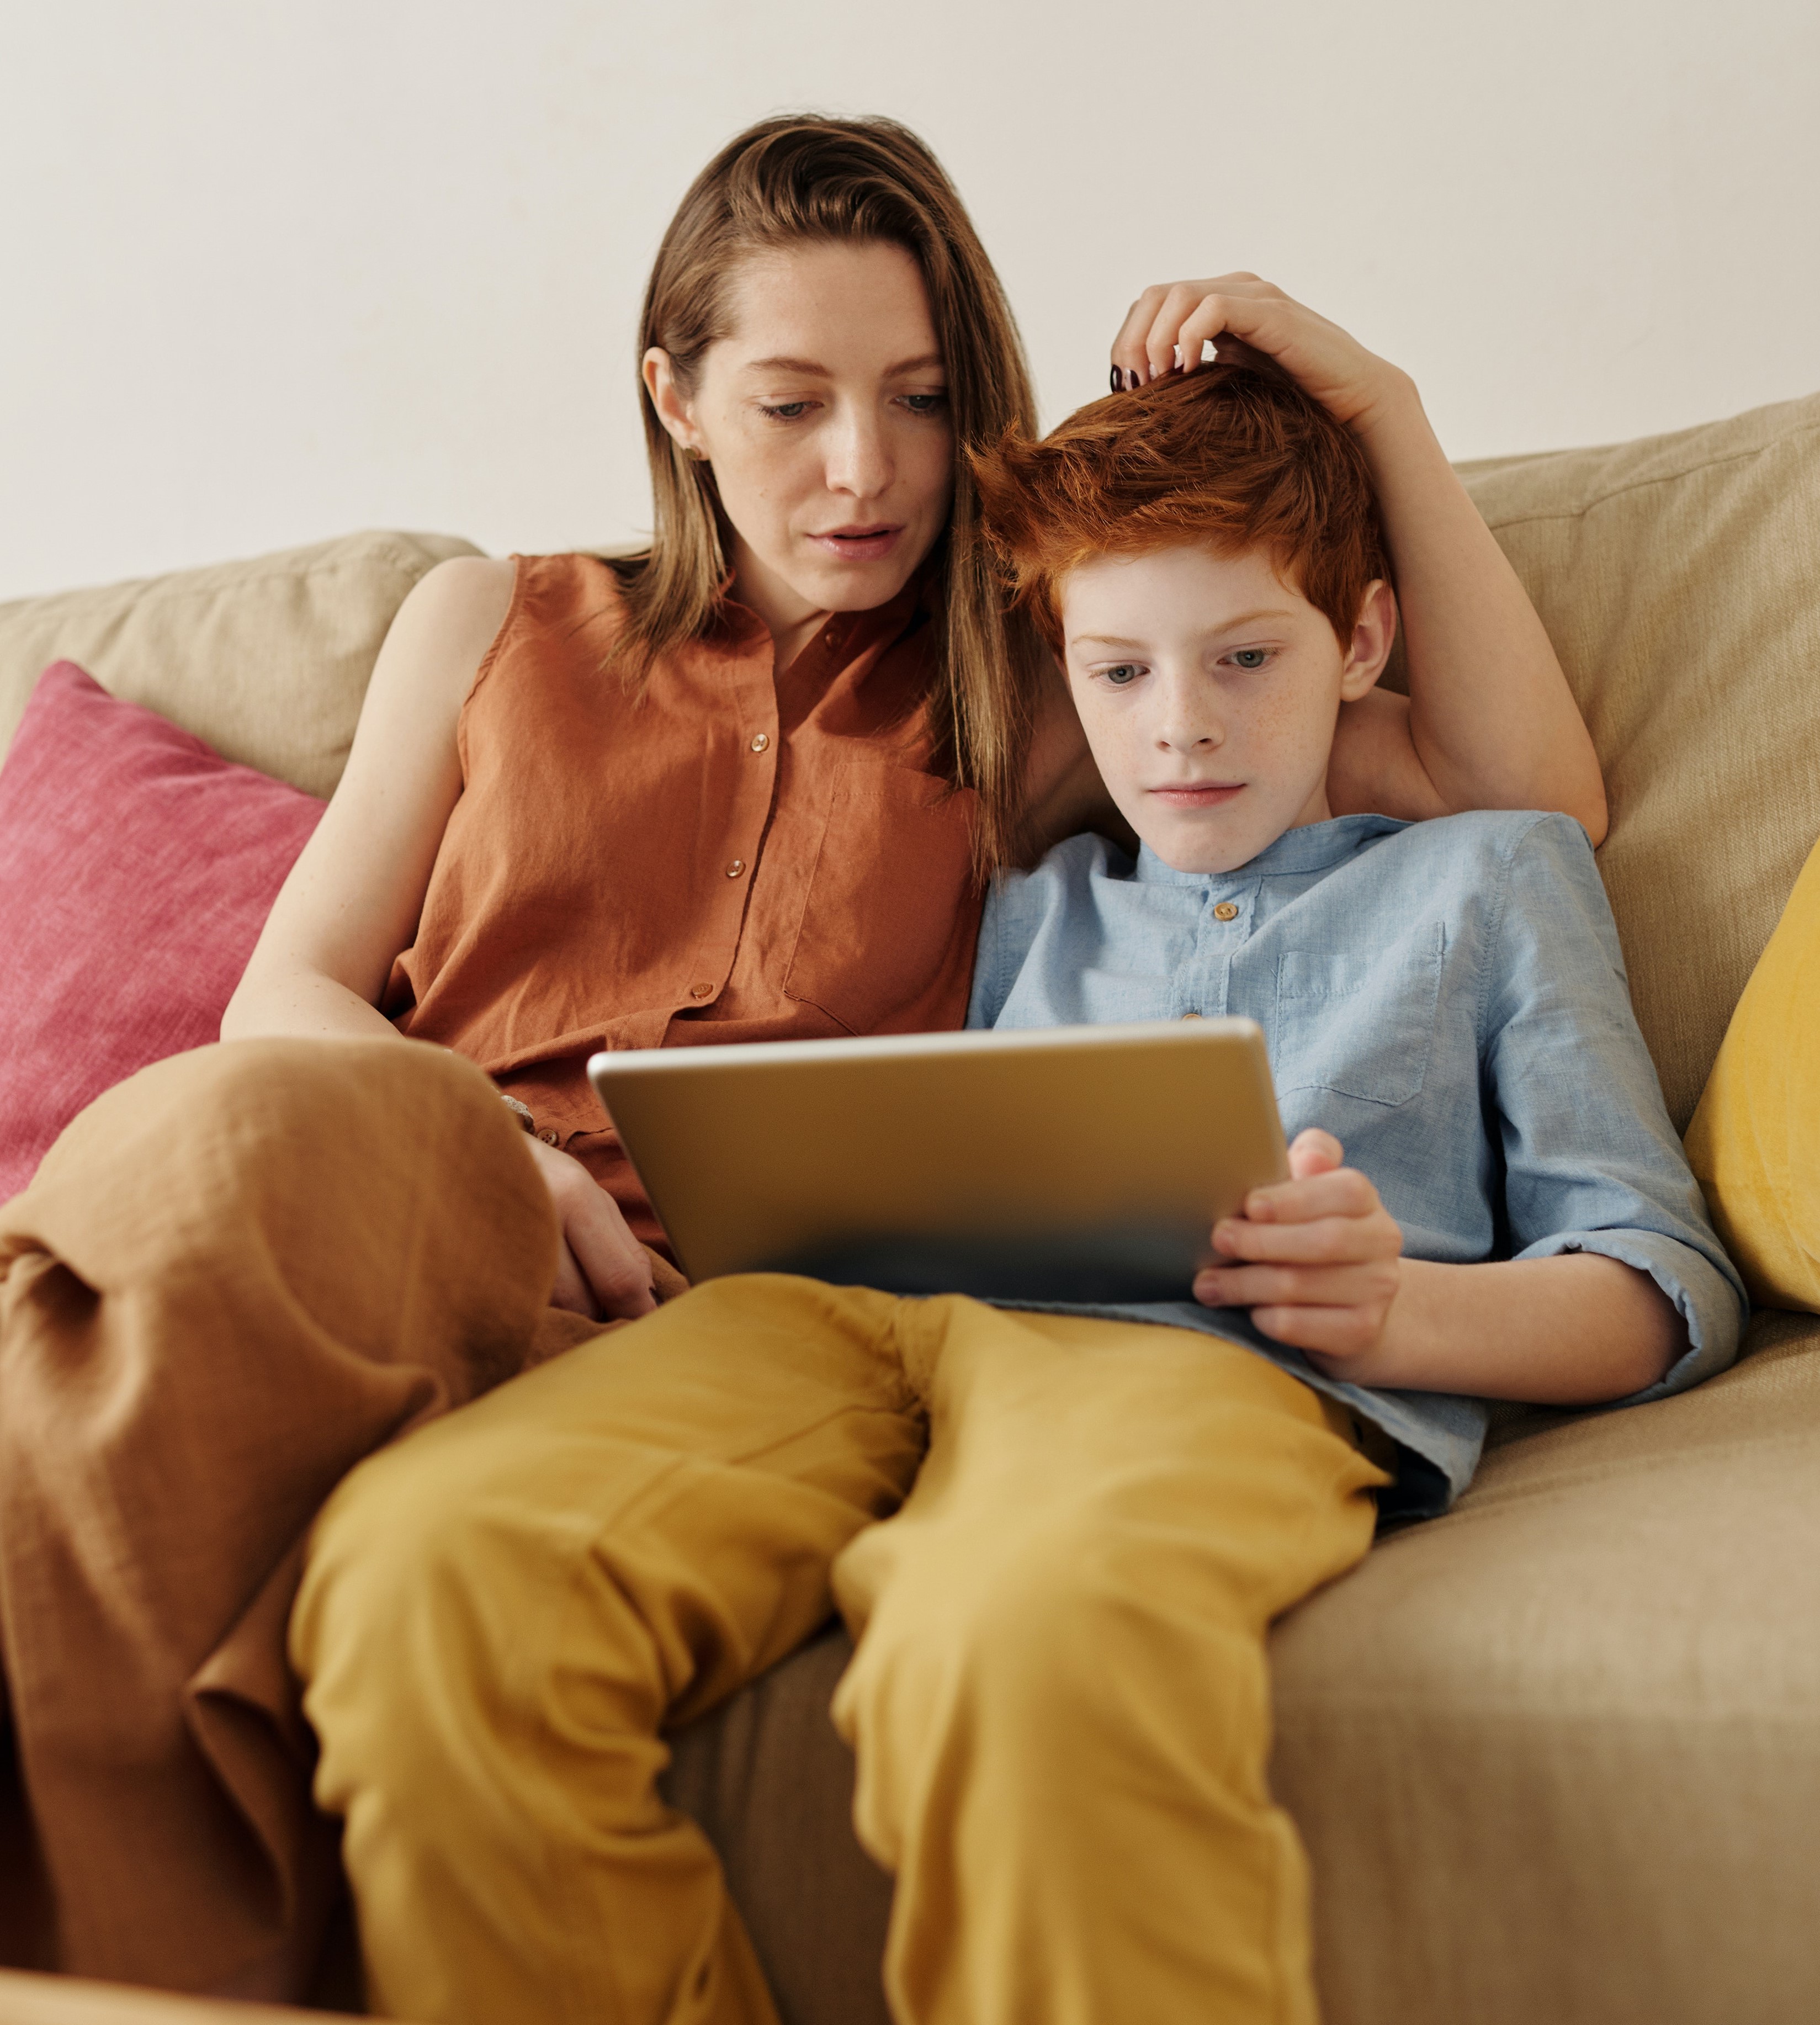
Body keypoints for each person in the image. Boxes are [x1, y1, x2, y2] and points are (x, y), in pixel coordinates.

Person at [0, 114, 1603, 2001]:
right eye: (788, 403)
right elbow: (292, 991)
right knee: (216, 1164)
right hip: (413, 1177)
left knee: (215, 1443)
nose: (863, 472)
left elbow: (1509, 800)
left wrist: (1381, 404)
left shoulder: (1042, 677)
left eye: (921, 402)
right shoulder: (489, 620)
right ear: (671, 398)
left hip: (715, 1308)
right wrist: (488, 1152)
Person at [288, 364, 1744, 2025]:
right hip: (855, 1316)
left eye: (1245, 660)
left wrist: (1402, 1304)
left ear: (1359, 645)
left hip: (1203, 1359)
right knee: (422, 1565)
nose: (1178, 723)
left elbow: (1655, 1270)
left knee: (1012, 1637)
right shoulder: (1032, 890)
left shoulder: (1486, 870)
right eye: (1117, 671)